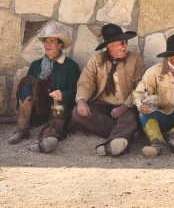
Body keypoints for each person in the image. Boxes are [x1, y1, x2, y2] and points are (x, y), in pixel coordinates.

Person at [69, 23, 145, 156]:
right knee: (77, 113)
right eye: (122, 43)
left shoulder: (135, 60)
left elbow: (141, 87)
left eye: (126, 42)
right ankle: (125, 136)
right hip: (102, 106)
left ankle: (114, 143)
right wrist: (81, 100)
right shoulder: (96, 61)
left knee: (130, 118)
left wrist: (124, 106)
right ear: (110, 46)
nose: (125, 46)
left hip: (126, 106)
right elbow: (85, 83)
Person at [8, 22, 80, 154]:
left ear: (60, 45)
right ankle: (22, 129)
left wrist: (62, 94)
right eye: (46, 42)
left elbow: (75, 92)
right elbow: (27, 91)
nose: (47, 45)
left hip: (58, 105)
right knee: (27, 81)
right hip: (39, 106)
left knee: (58, 112)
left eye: (51, 41)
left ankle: (48, 139)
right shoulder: (36, 65)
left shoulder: (71, 66)